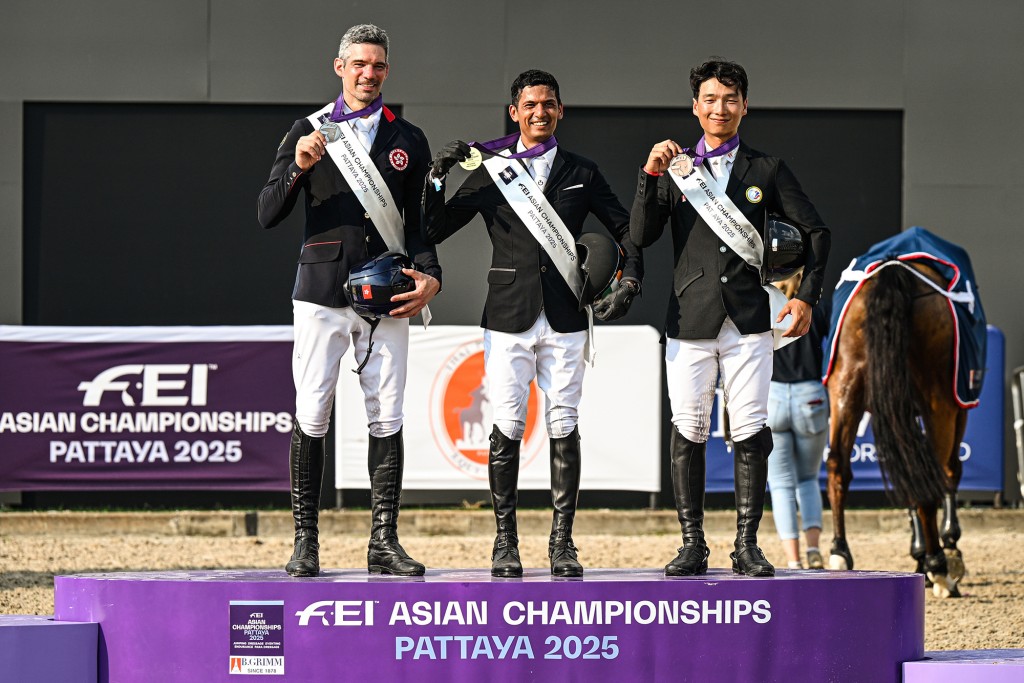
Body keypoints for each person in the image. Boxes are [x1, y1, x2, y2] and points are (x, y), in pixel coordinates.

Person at [422, 69, 644, 578]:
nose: (539, 112)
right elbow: (434, 227)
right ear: (514, 112)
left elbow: (627, 228)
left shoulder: (582, 171)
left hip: (566, 315)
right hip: (508, 315)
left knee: (564, 423)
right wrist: (438, 177)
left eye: (548, 104)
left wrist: (629, 277)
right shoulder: (492, 171)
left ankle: (562, 543)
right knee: (506, 425)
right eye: (530, 105)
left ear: (560, 111)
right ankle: (506, 542)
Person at [630, 58, 830, 578]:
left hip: (748, 321)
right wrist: (649, 175)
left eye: (731, 99)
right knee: (689, 429)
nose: (721, 108)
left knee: (750, 430)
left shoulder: (766, 169)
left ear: (745, 105)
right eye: (711, 99)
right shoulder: (674, 170)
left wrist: (807, 295)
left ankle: (747, 544)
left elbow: (817, 233)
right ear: (695, 107)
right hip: (689, 318)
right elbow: (642, 233)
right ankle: (692, 543)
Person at [257, 24, 440, 578]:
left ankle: (383, 541)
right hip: (321, 292)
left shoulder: (408, 136)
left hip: (388, 292)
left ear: (386, 70)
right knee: (312, 412)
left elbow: (420, 223)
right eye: (358, 64)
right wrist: (300, 167)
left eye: (378, 65)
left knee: (388, 416)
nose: (368, 74)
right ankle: (305, 543)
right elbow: (267, 212)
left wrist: (430, 276)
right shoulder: (308, 130)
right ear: (339, 67)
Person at [767, 273, 831, 569]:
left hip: (773, 395)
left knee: (780, 485)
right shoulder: (815, 306)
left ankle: (793, 560)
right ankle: (814, 549)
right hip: (810, 394)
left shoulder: (766, 303)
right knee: (808, 479)